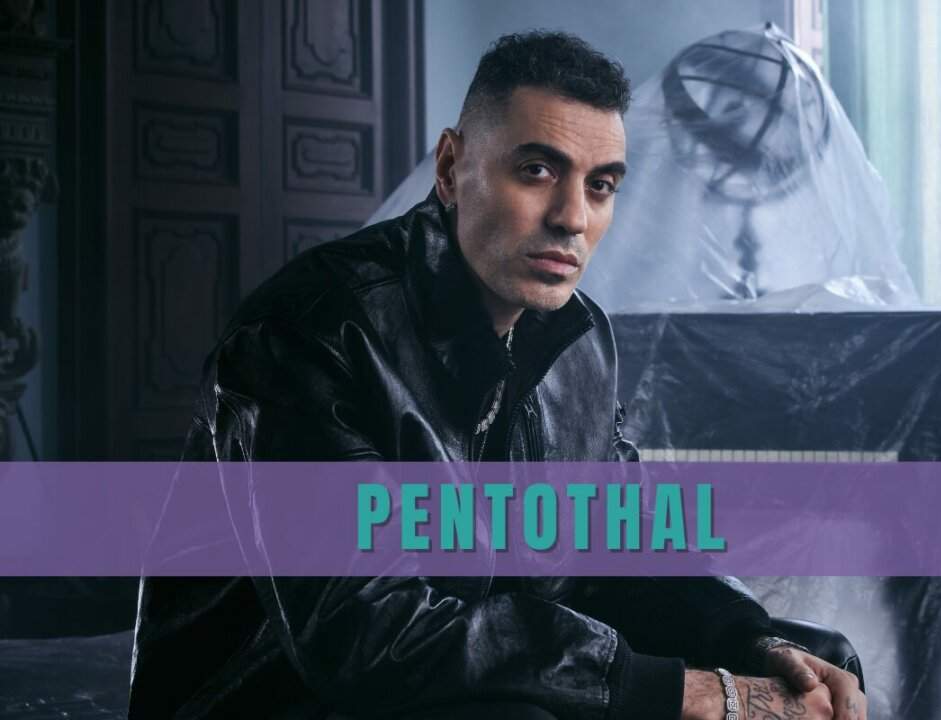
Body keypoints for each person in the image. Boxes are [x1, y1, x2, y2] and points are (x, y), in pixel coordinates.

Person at [129, 31, 866, 720]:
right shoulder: (311, 331)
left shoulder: (581, 340)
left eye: (601, 185)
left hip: (462, 663)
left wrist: (746, 639)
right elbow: (363, 630)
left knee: (817, 665)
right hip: (275, 691)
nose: (572, 218)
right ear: (451, 168)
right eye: (537, 171)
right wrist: (677, 690)